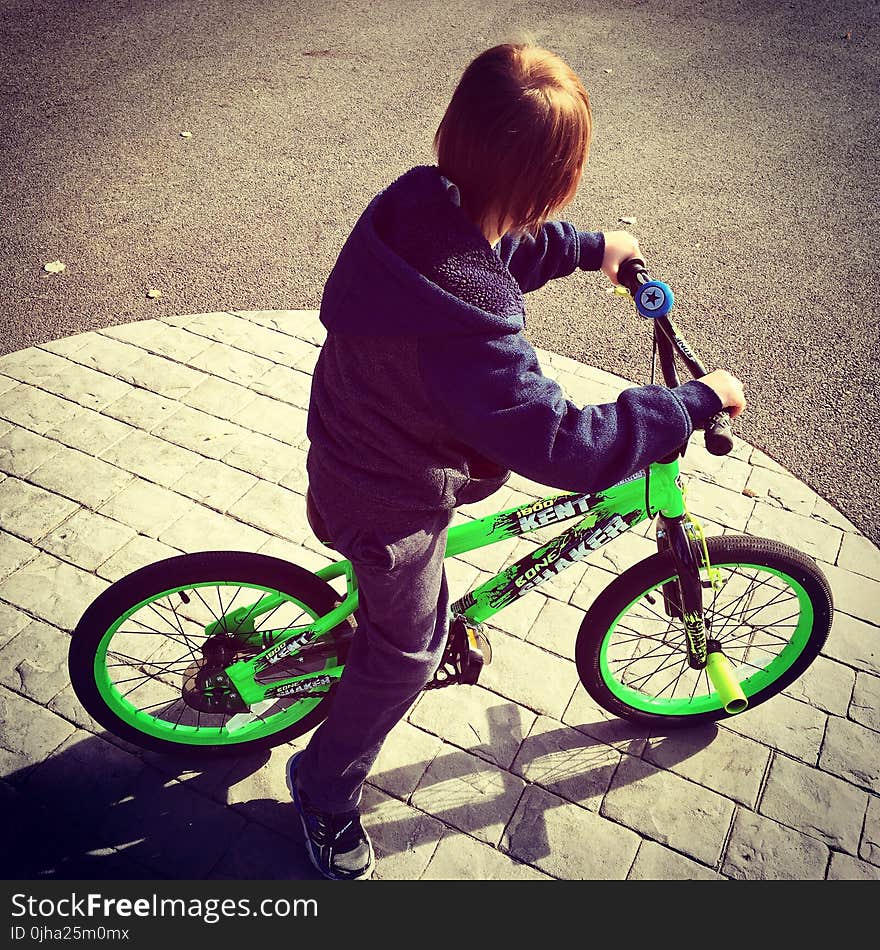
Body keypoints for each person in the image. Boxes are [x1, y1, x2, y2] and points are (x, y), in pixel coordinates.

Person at [287, 42, 746, 880]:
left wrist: (587, 246)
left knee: (404, 616)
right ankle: (321, 789)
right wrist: (689, 404)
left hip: (361, 430)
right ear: (556, 183)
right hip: (385, 495)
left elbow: (496, 246)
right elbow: (563, 444)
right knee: (405, 653)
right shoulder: (472, 334)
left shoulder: (422, 204)